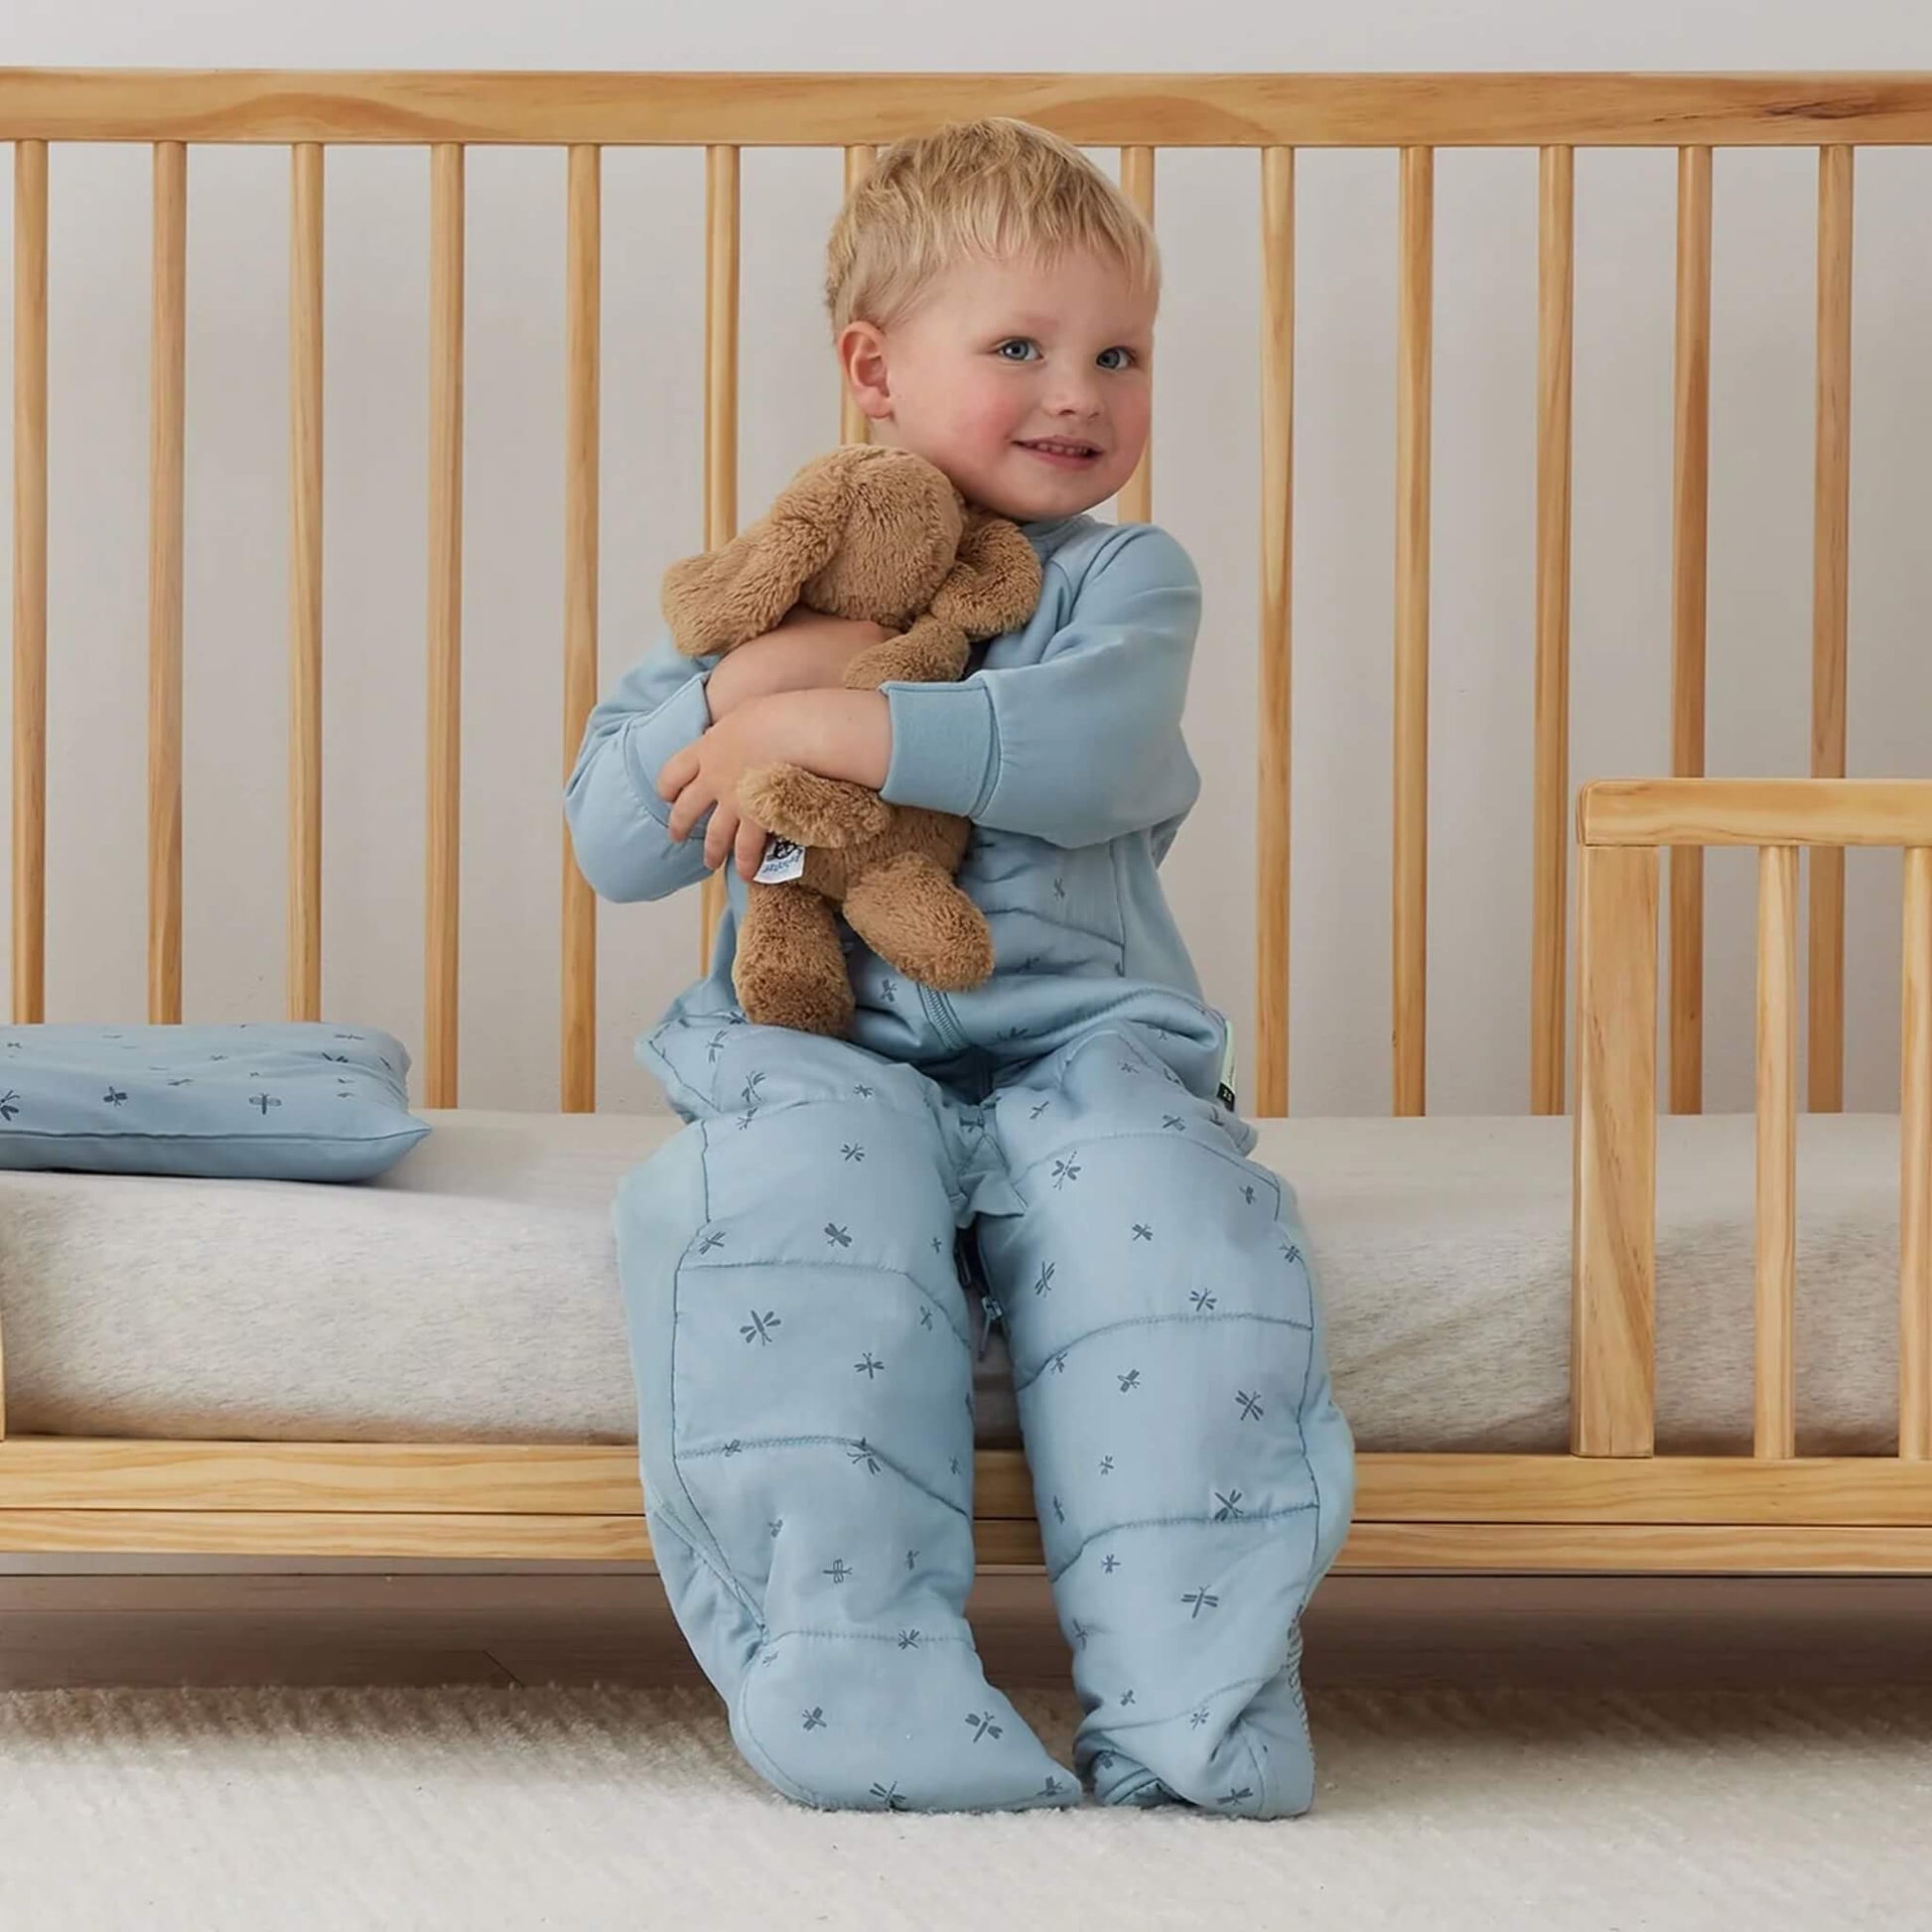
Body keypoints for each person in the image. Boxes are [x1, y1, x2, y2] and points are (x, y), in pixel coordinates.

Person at [565, 116, 1354, 1817]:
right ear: (873, 369)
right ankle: (860, 1688)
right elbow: (618, 837)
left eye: (1117, 353)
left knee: (1180, 1255)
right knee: (783, 1220)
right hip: (823, 1043)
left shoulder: (1121, 582)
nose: (1078, 391)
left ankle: (1191, 1708)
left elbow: (1081, 753)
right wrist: (736, 694)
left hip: (1086, 1046)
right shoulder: (761, 612)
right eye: (1018, 347)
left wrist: (837, 719)